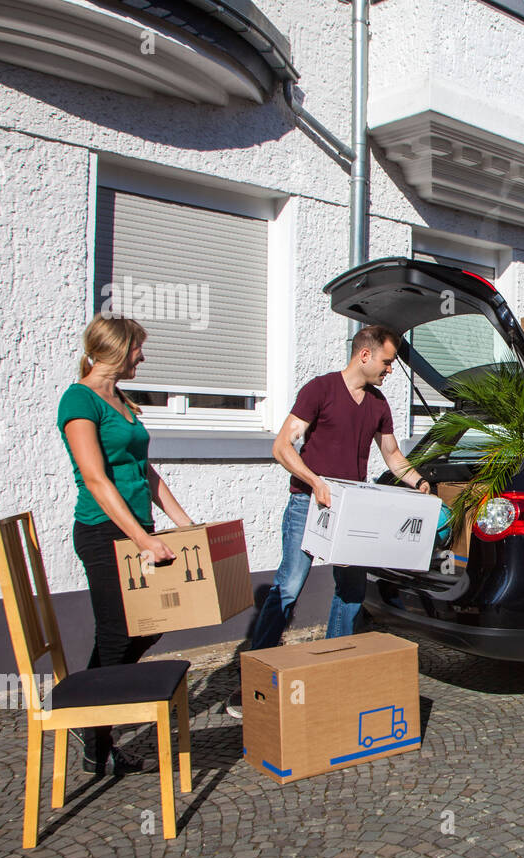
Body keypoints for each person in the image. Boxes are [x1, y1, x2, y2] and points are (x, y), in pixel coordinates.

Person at [228, 324, 431, 718]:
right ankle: (251, 684)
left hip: (351, 511)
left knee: (351, 591)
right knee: (288, 585)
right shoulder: (319, 389)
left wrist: (419, 481)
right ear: (365, 355)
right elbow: (282, 445)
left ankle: (329, 671)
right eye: (388, 362)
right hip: (308, 504)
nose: (391, 370)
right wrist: (314, 482)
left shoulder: (378, 405)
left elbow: (392, 456)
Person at [58, 313, 195, 776]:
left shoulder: (120, 400)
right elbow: (96, 479)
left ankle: (87, 717)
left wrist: (182, 523)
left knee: (151, 624)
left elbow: (145, 470)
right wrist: (141, 540)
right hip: (103, 532)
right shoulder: (78, 401)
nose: (143, 355)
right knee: (119, 629)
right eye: (138, 347)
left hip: (138, 529)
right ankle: (94, 730)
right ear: (117, 348)